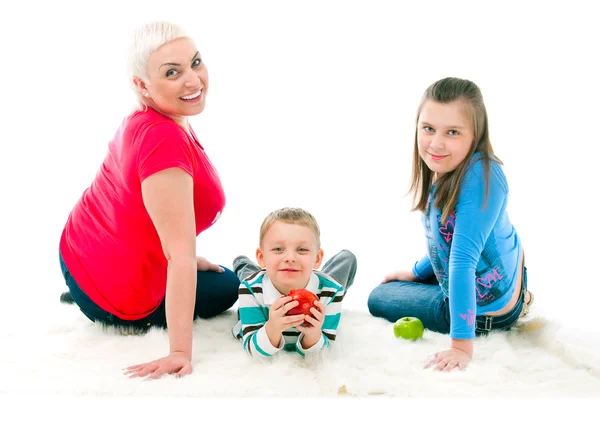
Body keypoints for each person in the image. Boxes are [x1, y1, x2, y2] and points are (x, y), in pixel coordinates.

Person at [58, 21, 239, 379]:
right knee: (228, 285)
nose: (193, 80)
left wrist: (174, 252)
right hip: (111, 294)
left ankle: (83, 292)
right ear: (142, 84)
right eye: (173, 72)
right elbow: (180, 256)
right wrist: (179, 352)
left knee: (202, 270)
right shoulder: (163, 141)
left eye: (196, 62)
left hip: (77, 251)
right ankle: (95, 306)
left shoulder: (154, 113)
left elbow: (134, 207)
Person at [367, 77, 534, 372]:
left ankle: (512, 309)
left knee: (378, 298)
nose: (436, 143)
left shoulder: (484, 177)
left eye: (453, 132)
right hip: (504, 275)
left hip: (488, 311)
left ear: (475, 135)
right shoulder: (449, 165)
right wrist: (416, 272)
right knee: (402, 281)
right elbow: (445, 239)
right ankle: (520, 299)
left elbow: (460, 261)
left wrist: (461, 345)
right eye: (428, 128)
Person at [231, 207, 357, 358]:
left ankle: (343, 257)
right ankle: (242, 263)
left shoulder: (332, 292)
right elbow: (253, 348)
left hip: (314, 280)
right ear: (261, 257)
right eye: (278, 249)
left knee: (346, 260)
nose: (290, 258)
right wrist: (272, 328)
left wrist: (313, 334)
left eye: (302, 249)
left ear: (317, 259)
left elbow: (324, 349)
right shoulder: (249, 289)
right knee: (249, 273)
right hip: (261, 281)